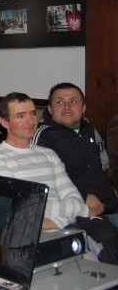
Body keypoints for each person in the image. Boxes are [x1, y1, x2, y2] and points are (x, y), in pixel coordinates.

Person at [0, 92, 118, 290]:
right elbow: (25, 207)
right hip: (33, 242)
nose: (30, 121)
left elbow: (73, 195)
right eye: (21, 116)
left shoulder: (48, 154)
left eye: (32, 114)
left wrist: (58, 216)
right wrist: (75, 211)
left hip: (68, 230)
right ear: (4, 122)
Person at [33, 83, 118, 227]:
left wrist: (113, 189)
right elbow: (43, 181)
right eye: (60, 102)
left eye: (73, 101)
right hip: (83, 213)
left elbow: (102, 168)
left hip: (111, 205)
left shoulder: (89, 130)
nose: (67, 107)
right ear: (50, 109)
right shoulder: (45, 137)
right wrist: (82, 196)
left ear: (83, 107)